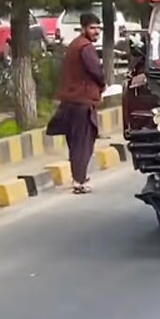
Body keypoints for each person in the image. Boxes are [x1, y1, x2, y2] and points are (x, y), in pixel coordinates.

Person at [47, 13, 106, 193]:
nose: (96, 32)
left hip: (70, 101)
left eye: (98, 28)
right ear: (83, 28)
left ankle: (78, 178)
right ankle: (80, 181)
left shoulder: (74, 45)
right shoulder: (86, 47)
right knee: (83, 141)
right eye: (92, 28)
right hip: (82, 102)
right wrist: (103, 85)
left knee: (75, 142)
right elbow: (96, 71)